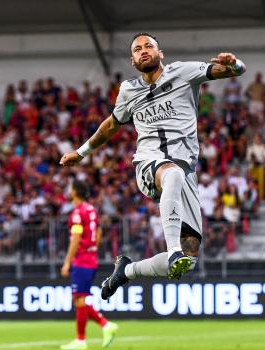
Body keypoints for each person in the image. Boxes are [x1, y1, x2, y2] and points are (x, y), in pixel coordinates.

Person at [60, 32, 246, 299]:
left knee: (190, 256)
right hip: (150, 163)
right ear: (133, 60)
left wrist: (234, 63)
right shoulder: (128, 90)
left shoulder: (183, 72)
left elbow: (233, 71)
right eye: (138, 49)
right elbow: (111, 124)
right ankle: (172, 252)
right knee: (171, 176)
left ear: (161, 54)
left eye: (149, 46)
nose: (144, 50)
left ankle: (126, 271)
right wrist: (81, 152)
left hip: (186, 172)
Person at [59, 180, 118, 350]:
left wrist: (67, 262)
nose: (68, 191)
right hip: (91, 258)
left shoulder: (77, 213)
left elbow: (76, 239)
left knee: (80, 299)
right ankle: (102, 326)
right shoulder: (91, 210)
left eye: (70, 188)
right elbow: (98, 232)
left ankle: (84, 338)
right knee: (78, 299)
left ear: (75, 192)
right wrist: (93, 249)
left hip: (82, 259)